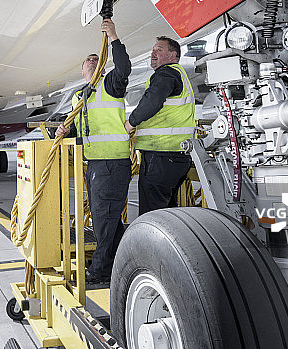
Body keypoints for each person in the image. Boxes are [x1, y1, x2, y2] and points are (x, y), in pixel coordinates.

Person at [56, 18, 132, 284]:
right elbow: (79, 130)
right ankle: (127, 260)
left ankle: (99, 271)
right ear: (81, 71)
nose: (91, 60)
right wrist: (64, 132)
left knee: (103, 219)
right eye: (87, 60)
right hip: (96, 164)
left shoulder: (110, 84)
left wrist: (113, 37)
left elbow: (124, 67)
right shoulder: (79, 97)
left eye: (94, 58)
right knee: (109, 220)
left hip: (111, 162)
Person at [124, 36, 195, 215]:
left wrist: (130, 123)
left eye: (159, 50)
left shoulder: (166, 74)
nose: (153, 54)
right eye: (153, 50)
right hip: (176, 155)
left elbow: (152, 101)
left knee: (152, 214)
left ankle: (148, 244)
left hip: (161, 155)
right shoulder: (178, 75)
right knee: (166, 213)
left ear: (174, 55)